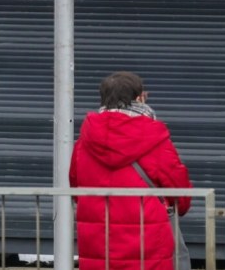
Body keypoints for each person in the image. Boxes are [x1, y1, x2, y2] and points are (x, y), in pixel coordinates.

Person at [70, 71, 191, 270]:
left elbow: (75, 185)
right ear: (138, 98)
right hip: (149, 234)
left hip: (99, 235)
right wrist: (179, 208)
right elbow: (178, 186)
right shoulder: (155, 138)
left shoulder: (84, 142)